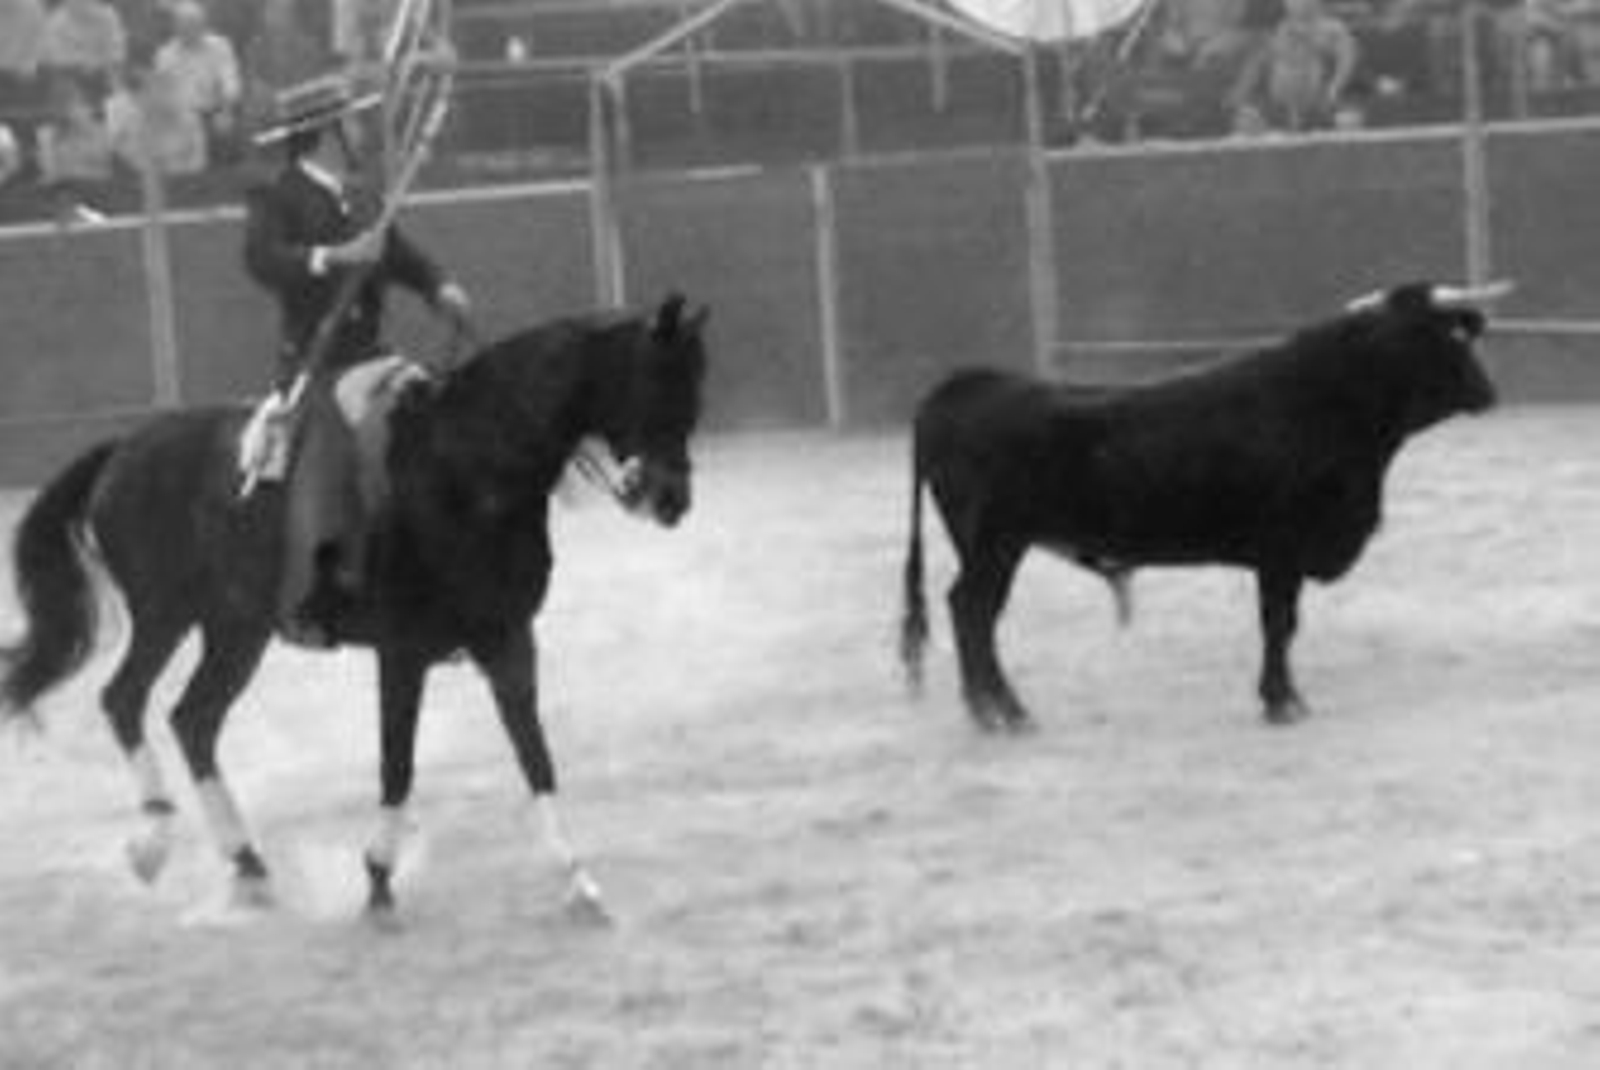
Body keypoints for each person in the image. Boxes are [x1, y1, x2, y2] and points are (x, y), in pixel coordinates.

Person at [243, 71, 470, 647]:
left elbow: (399, 254)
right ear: (326, 131)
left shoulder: (363, 195)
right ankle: (319, 591)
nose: (360, 127)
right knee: (340, 454)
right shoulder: (277, 193)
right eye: (350, 120)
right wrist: (334, 254)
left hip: (372, 358)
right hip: (317, 366)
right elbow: (264, 260)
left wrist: (438, 286)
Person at [152, 0, 241, 164]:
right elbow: (163, 96)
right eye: (184, 25)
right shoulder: (164, 55)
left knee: (227, 132)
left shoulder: (220, 45)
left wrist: (226, 111)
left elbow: (230, 83)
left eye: (194, 24)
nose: (189, 29)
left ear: (203, 24)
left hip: (214, 113)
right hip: (182, 119)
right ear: (175, 27)